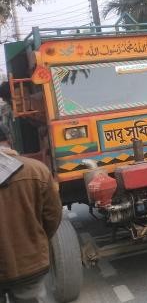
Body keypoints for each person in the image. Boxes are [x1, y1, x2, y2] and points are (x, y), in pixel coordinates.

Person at [0, 128, 63, 303]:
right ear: (9, 140)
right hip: (29, 262)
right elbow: (52, 216)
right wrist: (36, 240)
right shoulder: (37, 170)